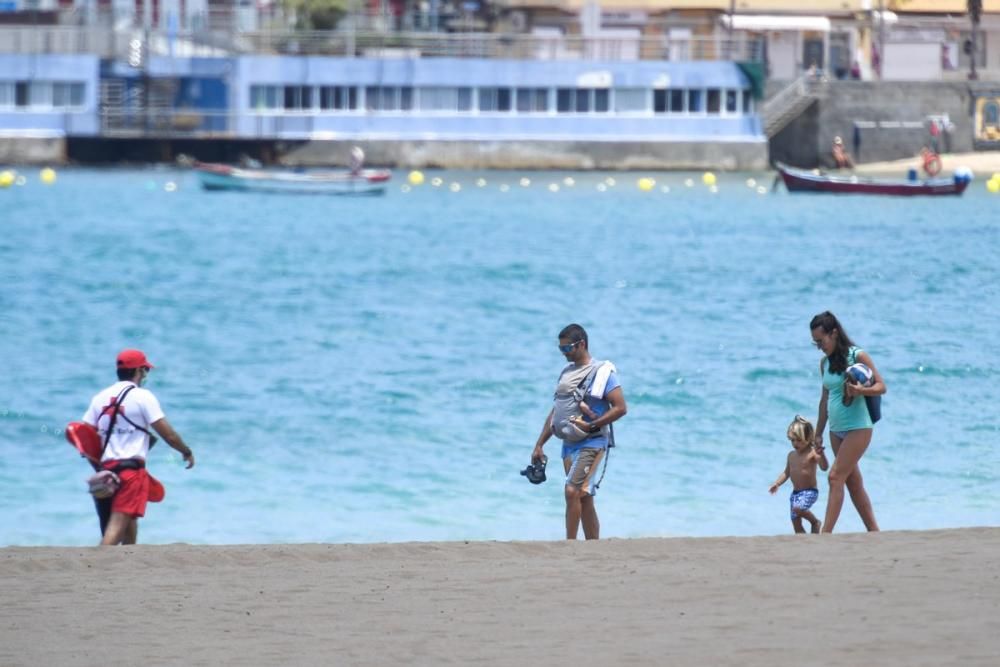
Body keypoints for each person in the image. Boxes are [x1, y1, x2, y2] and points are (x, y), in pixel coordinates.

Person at [82, 349, 195, 546]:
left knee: (129, 520)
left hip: (106, 471)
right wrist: (186, 451)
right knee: (117, 526)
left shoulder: (100, 397)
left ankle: (128, 561)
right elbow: (167, 433)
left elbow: (84, 434)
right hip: (130, 473)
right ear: (140, 371)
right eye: (145, 371)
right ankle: (97, 567)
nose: (145, 375)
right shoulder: (142, 396)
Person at [531, 324, 627, 540]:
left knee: (571, 491)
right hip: (568, 445)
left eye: (568, 349)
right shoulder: (566, 372)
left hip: (592, 442)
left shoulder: (602, 373)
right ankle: (593, 546)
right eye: (561, 350)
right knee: (583, 497)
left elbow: (621, 408)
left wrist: (591, 425)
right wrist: (540, 444)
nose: (564, 354)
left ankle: (570, 545)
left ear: (582, 344)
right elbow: (556, 411)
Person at [809, 312, 885, 533]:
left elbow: (881, 386)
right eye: (815, 343)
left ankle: (826, 534)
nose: (820, 347)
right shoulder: (824, 363)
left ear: (834, 333)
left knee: (835, 477)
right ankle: (874, 532)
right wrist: (818, 432)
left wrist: (861, 390)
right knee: (853, 483)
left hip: (858, 428)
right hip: (836, 430)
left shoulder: (857, 356)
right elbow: (824, 400)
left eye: (821, 341)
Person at [769, 415, 829, 534]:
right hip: (795, 494)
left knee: (798, 509)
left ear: (808, 439)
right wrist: (777, 483)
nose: (795, 443)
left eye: (799, 440)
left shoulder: (812, 453)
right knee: (796, 523)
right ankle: (804, 543)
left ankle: (815, 522)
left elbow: (824, 467)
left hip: (810, 492)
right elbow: (786, 473)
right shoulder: (791, 455)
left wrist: (821, 455)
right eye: (793, 440)